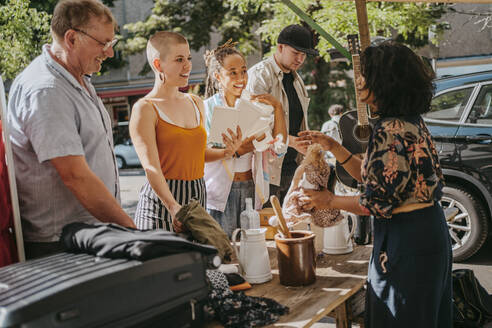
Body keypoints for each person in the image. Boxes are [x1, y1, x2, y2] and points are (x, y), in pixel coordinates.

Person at [298, 41, 452, 327]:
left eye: (364, 73)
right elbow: (379, 179)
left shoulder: (389, 131)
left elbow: (377, 202)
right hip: (425, 234)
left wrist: (327, 201)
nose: (358, 80)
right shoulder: (408, 122)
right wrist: (334, 147)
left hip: (407, 242)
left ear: (384, 81)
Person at [7, 0, 136, 260]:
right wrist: (135, 232)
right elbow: (75, 176)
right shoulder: (47, 90)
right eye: (104, 43)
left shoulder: (77, 78)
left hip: (88, 234)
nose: (109, 53)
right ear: (72, 38)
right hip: (61, 244)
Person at [130, 32, 242, 232]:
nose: (187, 65)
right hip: (161, 207)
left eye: (189, 58)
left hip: (196, 201)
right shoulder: (144, 108)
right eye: (179, 59)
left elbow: (196, 154)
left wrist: (227, 152)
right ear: (158, 65)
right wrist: (173, 207)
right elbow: (152, 168)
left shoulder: (195, 102)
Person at [202, 40, 287, 236]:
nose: (240, 77)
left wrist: (278, 108)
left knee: (251, 251)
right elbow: (201, 154)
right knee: (224, 251)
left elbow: (279, 147)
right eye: (232, 72)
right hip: (220, 193)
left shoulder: (255, 107)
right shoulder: (207, 108)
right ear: (218, 76)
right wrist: (238, 149)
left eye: (243, 71)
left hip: (251, 188)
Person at [246, 24, 316, 203]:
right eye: (295, 53)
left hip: (293, 167)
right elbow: (254, 124)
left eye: (304, 54)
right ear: (280, 47)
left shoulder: (297, 79)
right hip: (267, 169)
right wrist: (291, 141)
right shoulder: (260, 75)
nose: (300, 59)